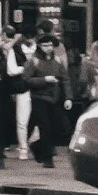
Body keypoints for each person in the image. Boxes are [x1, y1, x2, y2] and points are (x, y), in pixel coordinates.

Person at [24, 34, 71, 165]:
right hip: (39, 98)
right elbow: (26, 79)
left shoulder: (57, 60)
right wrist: (45, 80)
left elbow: (65, 79)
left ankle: (37, 146)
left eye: (50, 45)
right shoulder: (34, 61)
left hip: (54, 98)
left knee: (57, 127)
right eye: (45, 45)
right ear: (39, 46)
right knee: (45, 127)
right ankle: (47, 158)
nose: (49, 48)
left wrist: (68, 98)